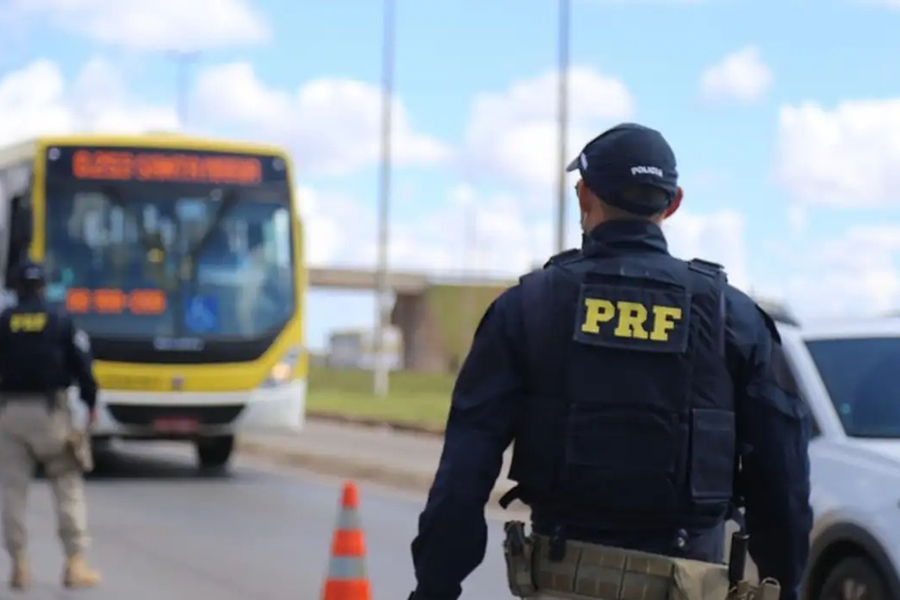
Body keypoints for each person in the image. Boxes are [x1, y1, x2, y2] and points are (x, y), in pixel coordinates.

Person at [408, 123, 812, 600]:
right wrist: (784, 585)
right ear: (673, 203)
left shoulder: (528, 307)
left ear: (584, 195)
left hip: (562, 579)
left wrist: (434, 588)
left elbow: (463, 471)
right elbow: (782, 481)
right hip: (692, 582)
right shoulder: (735, 317)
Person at [0, 260, 101, 589]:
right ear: (44, 287)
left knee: (13, 492)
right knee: (67, 487)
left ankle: (20, 565)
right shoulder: (60, 320)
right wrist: (90, 401)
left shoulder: (3, 322)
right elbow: (82, 364)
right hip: (51, 415)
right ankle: (75, 563)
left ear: (14, 288)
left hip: (10, 415)